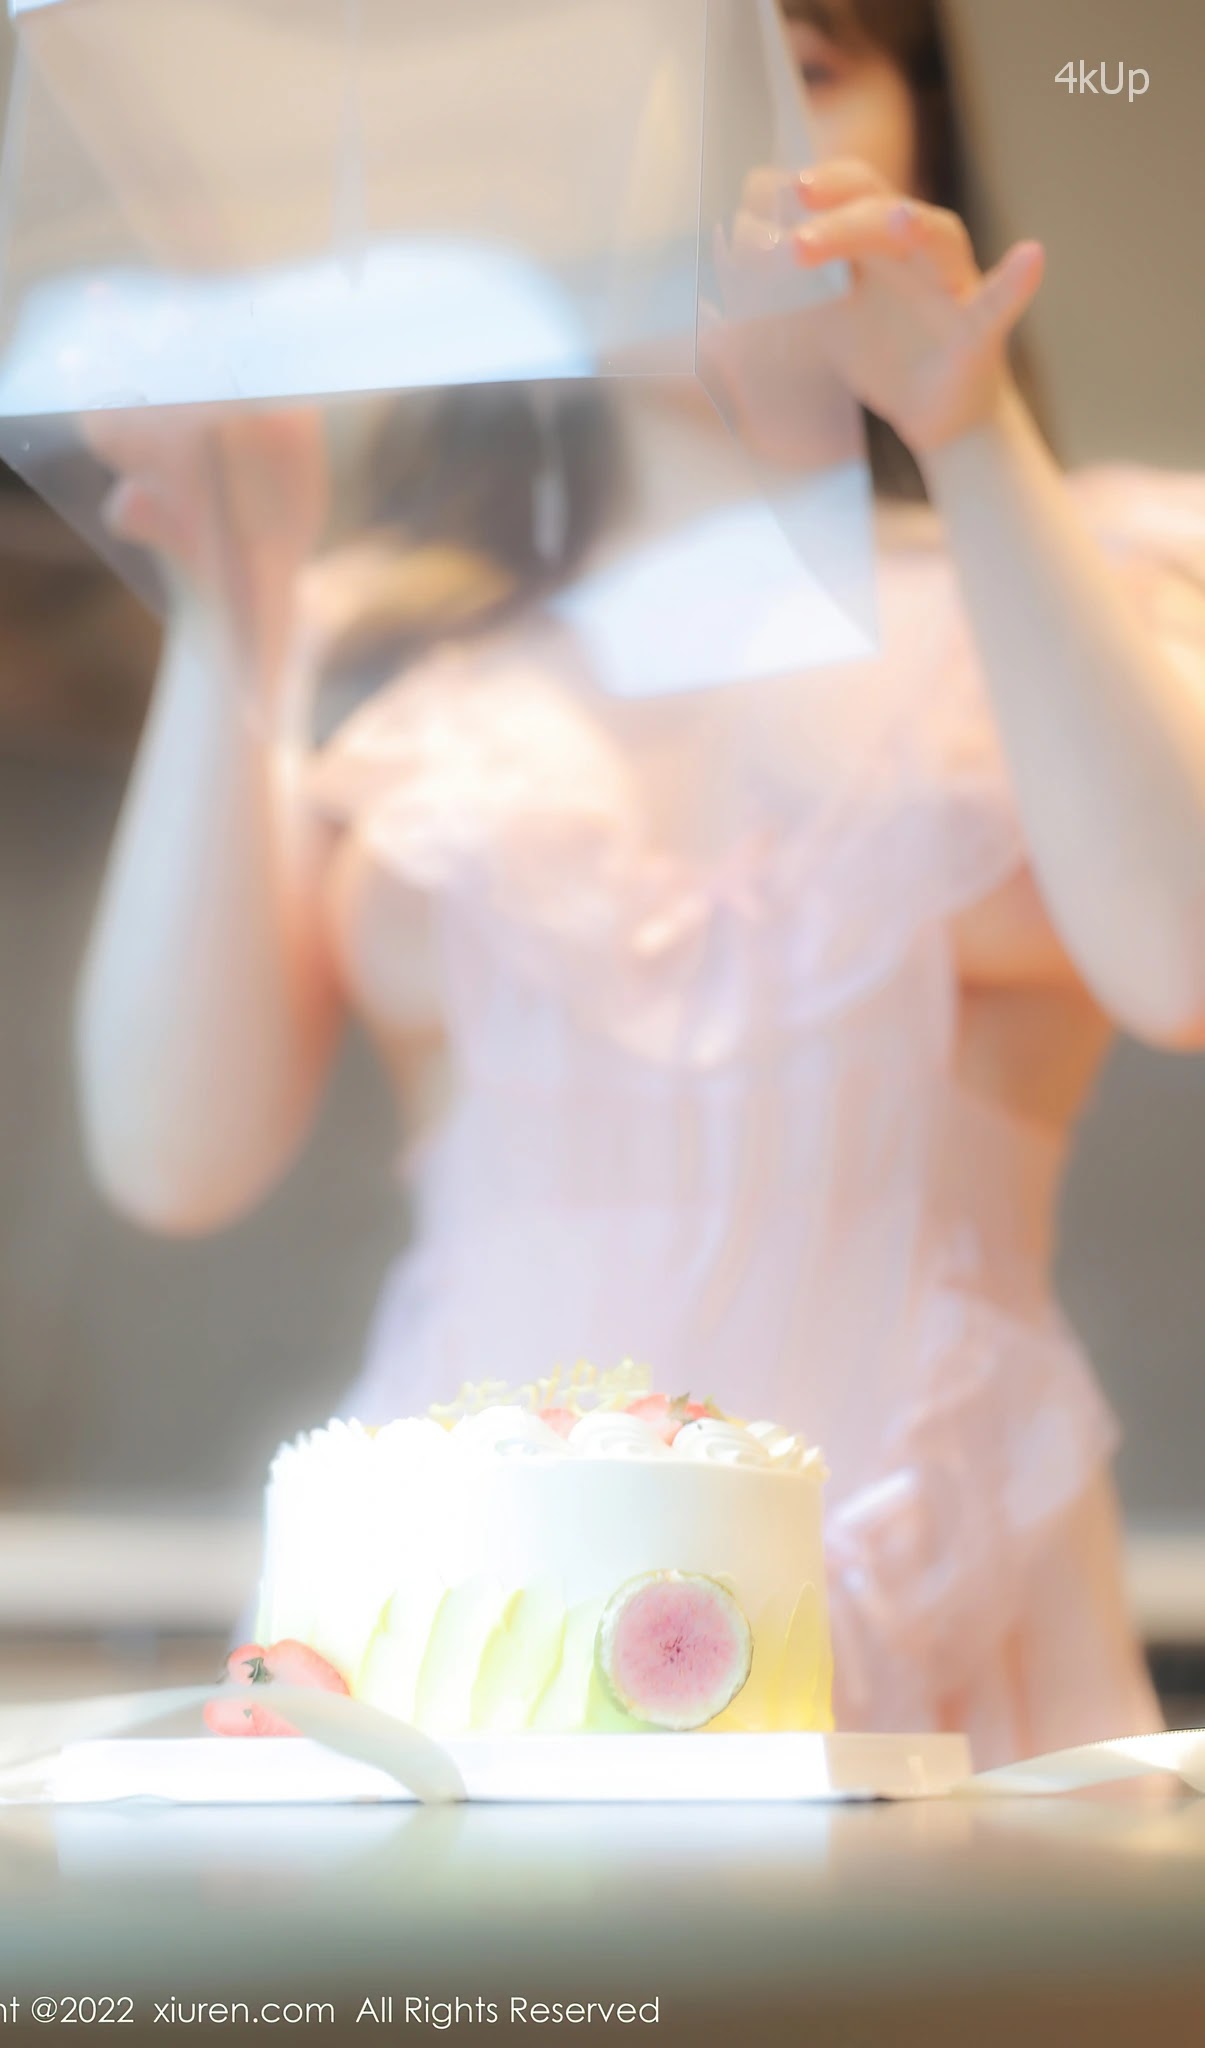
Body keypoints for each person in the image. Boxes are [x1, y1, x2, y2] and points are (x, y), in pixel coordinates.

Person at [76, 0, 1205, 1764]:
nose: (718, 135)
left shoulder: (1099, 562)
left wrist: (968, 428)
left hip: (937, 1598)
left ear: (920, 130)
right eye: (648, 78)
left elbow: (1182, 960)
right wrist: (238, 608)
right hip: (449, 1637)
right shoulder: (375, 646)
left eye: (800, 67)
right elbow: (172, 1151)